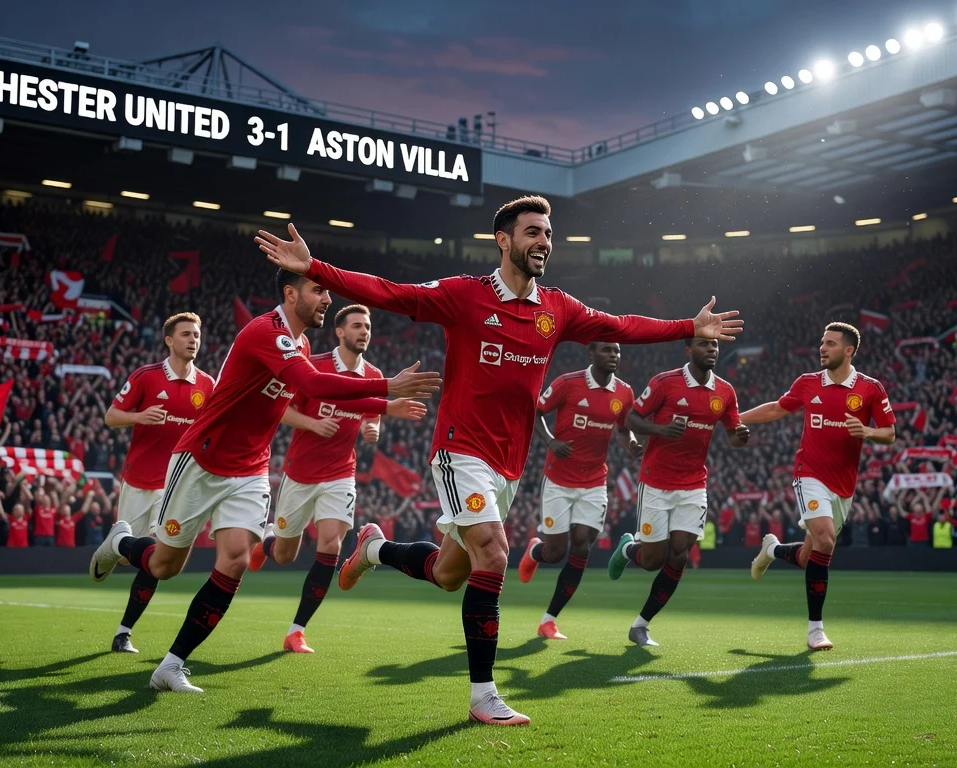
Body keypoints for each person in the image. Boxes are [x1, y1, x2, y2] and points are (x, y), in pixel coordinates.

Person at [255, 195, 741, 726]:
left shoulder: (556, 308)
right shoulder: (465, 296)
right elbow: (391, 293)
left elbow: (618, 326)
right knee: (495, 554)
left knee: (448, 574)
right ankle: (484, 695)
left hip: (509, 464)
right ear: (504, 240)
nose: (544, 242)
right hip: (460, 449)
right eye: (533, 232)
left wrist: (687, 328)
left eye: (549, 234)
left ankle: (374, 549)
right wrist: (317, 268)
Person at [88, 267, 438, 695]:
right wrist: (388, 387)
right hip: (201, 459)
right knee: (164, 565)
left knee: (234, 559)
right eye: (319, 290)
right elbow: (310, 382)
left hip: (251, 468)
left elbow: (317, 392)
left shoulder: (303, 342)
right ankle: (121, 543)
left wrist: (385, 406)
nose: (327, 299)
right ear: (291, 295)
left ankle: (172, 664)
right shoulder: (265, 332)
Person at [246, 304, 403, 655]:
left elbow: (372, 414)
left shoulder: (373, 374)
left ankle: (297, 630)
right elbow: (279, 409)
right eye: (357, 326)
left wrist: (372, 427)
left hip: (340, 473)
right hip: (300, 474)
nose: (364, 331)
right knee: (286, 554)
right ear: (340, 332)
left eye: (368, 326)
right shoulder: (312, 366)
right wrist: (313, 424)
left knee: (330, 545)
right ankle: (267, 543)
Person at [746, 323, 896, 651]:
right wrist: (735, 418)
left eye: (830, 343)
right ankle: (816, 629)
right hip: (809, 474)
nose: (822, 348)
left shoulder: (870, 389)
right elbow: (775, 408)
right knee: (826, 541)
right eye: (822, 342)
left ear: (849, 350)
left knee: (808, 555)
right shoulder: (808, 382)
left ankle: (771, 550)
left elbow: (889, 433)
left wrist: (868, 433)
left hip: (844, 486)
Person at [606, 337, 749, 647]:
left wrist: (741, 436)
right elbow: (631, 418)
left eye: (715, 345)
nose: (711, 349)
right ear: (688, 350)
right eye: (703, 345)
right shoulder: (664, 382)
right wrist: (660, 430)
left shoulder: (725, 391)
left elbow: (733, 438)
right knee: (652, 560)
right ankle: (629, 549)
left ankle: (641, 625)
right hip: (655, 481)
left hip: (694, 484)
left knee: (680, 553)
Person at [104, 312, 217, 654]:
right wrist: (139, 416)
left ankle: (124, 631)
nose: (193, 340)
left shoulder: (207, 385)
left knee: (157, 559)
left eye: (196, 335)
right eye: (186, 334)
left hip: (177, 487)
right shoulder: (146, 377)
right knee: (128, 559)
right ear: (169, 340)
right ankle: (116, 545)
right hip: (139, 481)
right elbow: (111, 416)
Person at [518, 341, 637, 641]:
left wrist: (631, 443)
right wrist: (550, 442)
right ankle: (535, 551)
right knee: (555, 552)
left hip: (595, 481)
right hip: (558, 479)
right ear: (591, 354)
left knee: (582, 545)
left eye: (617, 352)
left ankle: (549, 620)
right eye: (607, 350)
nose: (613, 356)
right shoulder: (567, 384)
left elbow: (623, 429)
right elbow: (537, 411)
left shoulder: (624, 392)